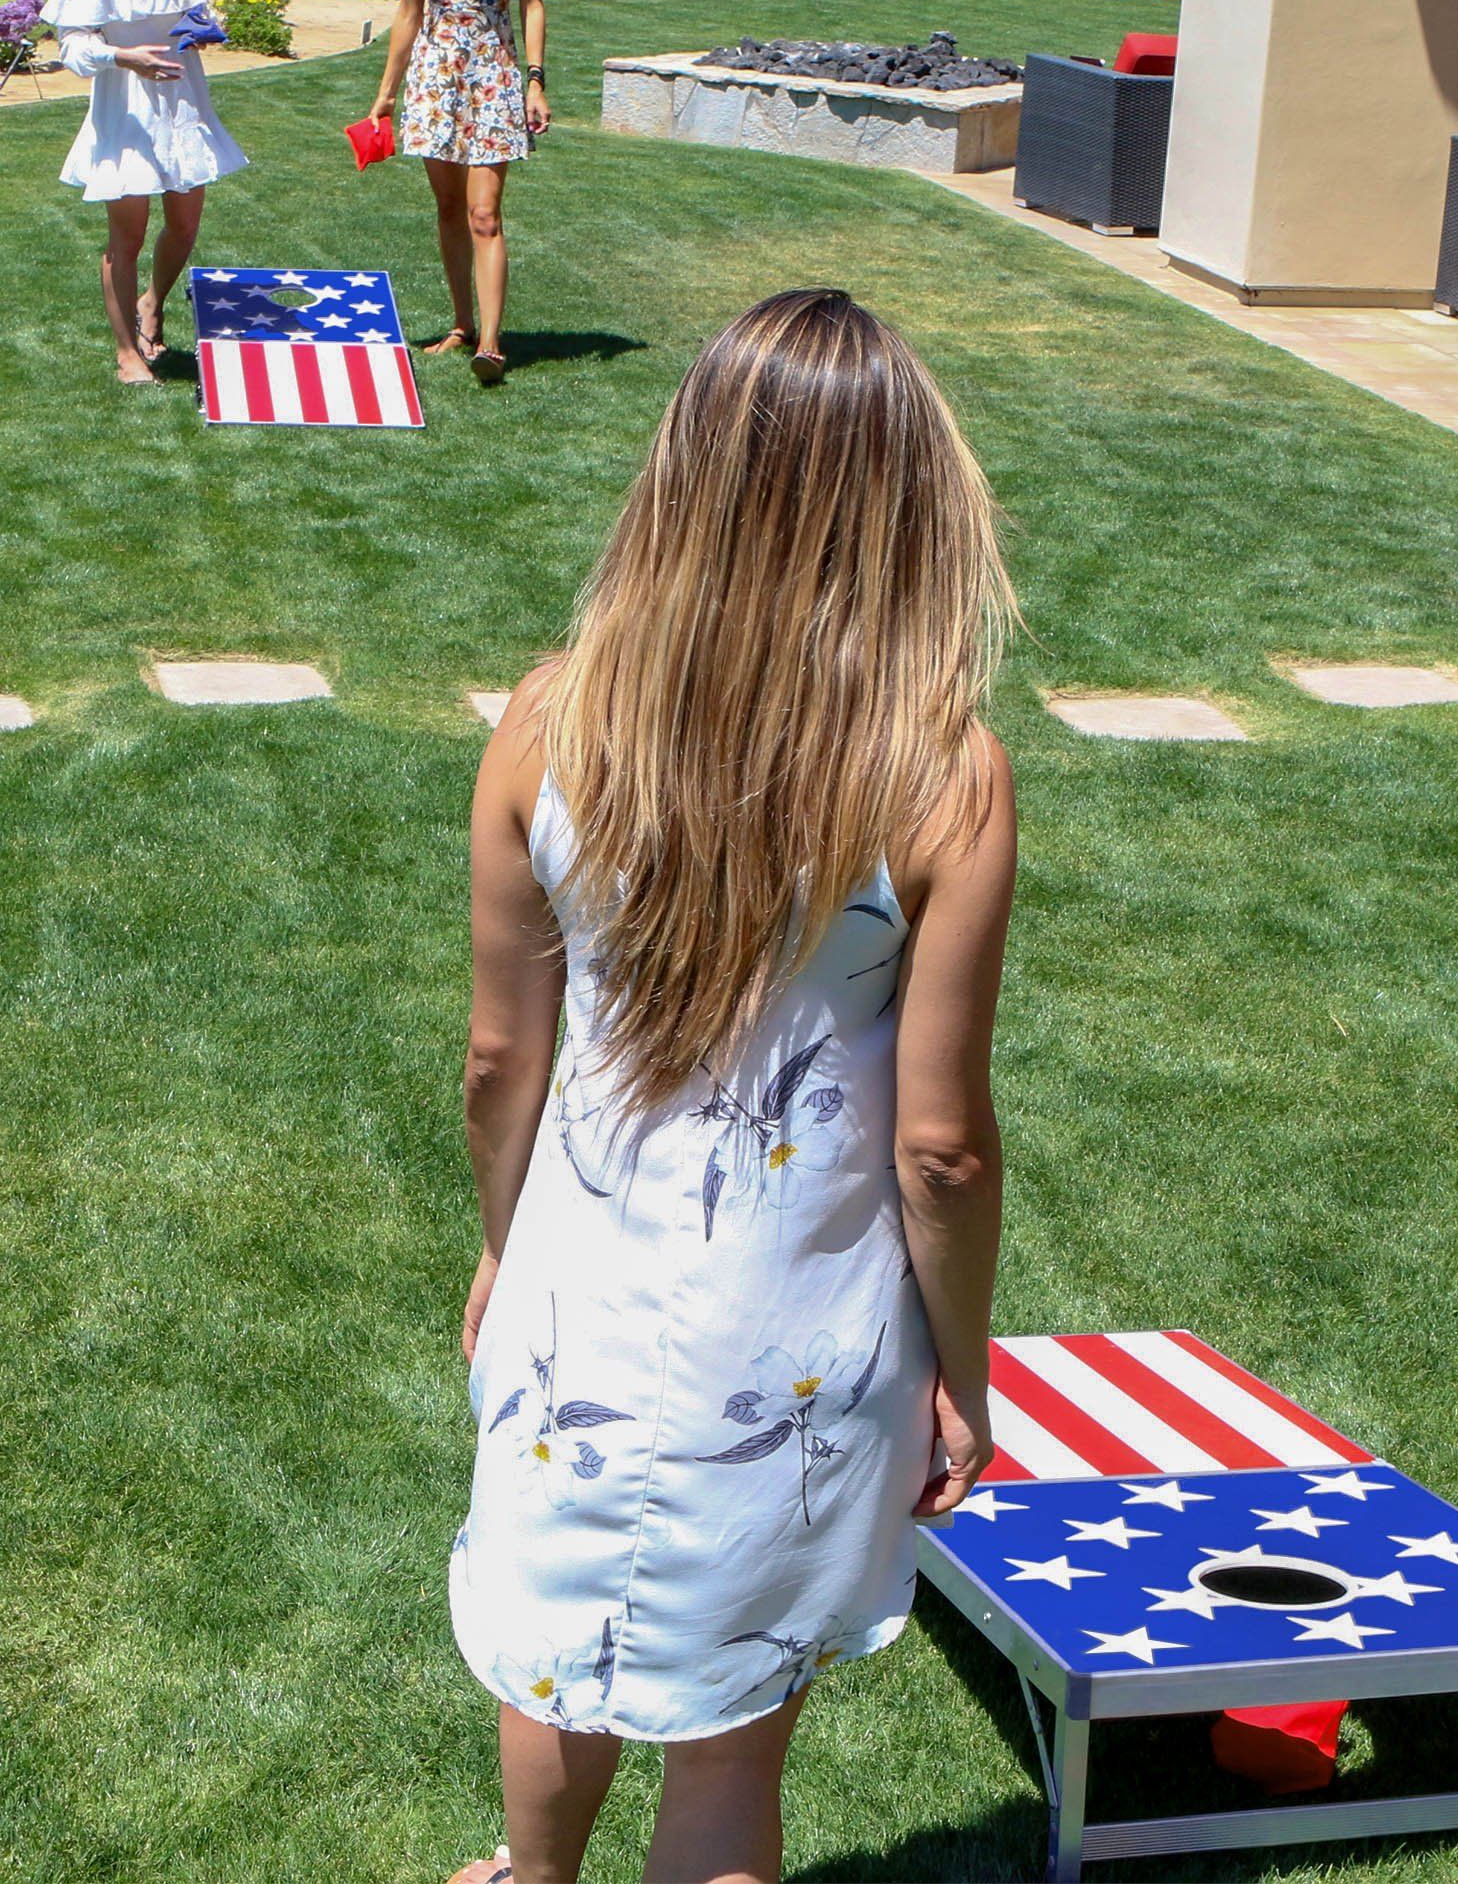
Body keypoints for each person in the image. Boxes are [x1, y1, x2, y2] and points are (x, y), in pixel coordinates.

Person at [444, 290, 1018, 1884]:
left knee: (557, 1646)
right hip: (804, 1341)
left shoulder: (551, 722)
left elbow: (501, 1059)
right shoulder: (943, 772)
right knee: (731, 1740)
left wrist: (499, 1243)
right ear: (908, 502)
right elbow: (943, 1149)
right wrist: (962, 1368)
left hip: (578, 1292)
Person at [45, 0, 247, 385]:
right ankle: (126, 356)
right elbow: (73, 48)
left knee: (184, 225)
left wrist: (205, 27)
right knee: (126, 237)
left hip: (183, 101)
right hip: (125, 107)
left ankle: (151, 303)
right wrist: (125, 56)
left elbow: (197, 7)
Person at [370, 0, 549, 386]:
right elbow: (408, 10)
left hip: (493, 74)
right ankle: (461, 324)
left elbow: (533, 5)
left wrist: (535, 80)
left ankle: (491, 346)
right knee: (448, 208)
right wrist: (386, 94)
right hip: (435, 77)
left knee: (484, 213)